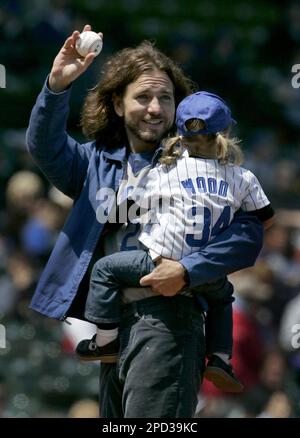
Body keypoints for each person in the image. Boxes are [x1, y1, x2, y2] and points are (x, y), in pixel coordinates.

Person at [26, 24, 265, 418]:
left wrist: (188, 269)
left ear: (178, 108)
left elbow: (248, 232)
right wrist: (56, 87)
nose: (155, 108)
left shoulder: (203, 163)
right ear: (118, 104)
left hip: (171, 320)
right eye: (143, 97)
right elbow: (44, 146)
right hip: (113, 329)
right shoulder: (94, 162)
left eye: (165, 98)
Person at [75, 91, 274, 394]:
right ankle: (220, 358)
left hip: (156, 262)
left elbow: (129, 208)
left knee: (104, 270)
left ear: (180, 134)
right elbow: (265, 219)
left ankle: (105, 341)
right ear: (224, 133)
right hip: (207, 272)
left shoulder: (165, 171)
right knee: (223, 298)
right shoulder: (243, 177)